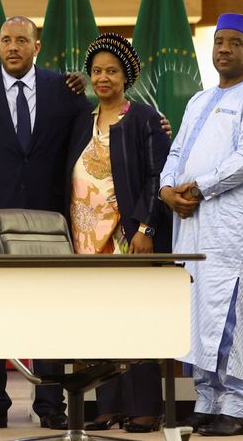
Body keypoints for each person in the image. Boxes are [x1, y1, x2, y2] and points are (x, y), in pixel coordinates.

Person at [0, 16, 92, 430]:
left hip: (48, 222)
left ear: (36, 46)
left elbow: (91, 136)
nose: (13, 46)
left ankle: (50, 405)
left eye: (21, 40)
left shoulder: (64, 89)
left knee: (49, 313)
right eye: (6, 40)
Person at [160, 13, 243, 436]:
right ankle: (207, 401)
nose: (225, 49)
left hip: (234, 230)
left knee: (231, 315)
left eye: (235, 43)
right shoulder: (198, 100)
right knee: (198, 318)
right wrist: (166, 189)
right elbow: (176, 152)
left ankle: (235, 407)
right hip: (193, 226)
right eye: (218, 42)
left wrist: (196, 190)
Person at [67, 33, 171, 433]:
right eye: (96, 71)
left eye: (111, 70)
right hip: (84, 241)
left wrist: (147, 226)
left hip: (128, 238)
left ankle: (145, 407)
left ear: (125, 75)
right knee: (97, 322)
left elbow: (157, 176)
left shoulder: (144, 118)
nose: (103, 77)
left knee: (135, 319)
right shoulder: (82, 120)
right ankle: (107, 405)